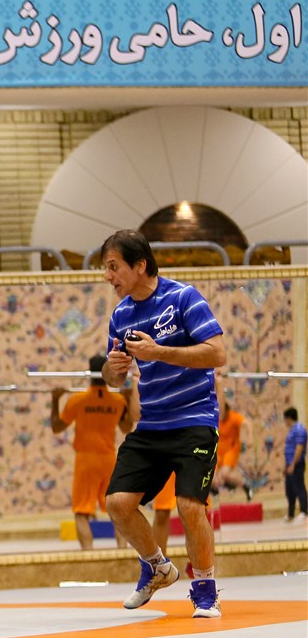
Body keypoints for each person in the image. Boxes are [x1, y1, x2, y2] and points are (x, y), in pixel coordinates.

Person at [99, 230, 226, 618]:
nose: (107, 275)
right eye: (105, 268)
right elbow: (112, 379)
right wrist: (114, 368)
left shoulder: (184, 298)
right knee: (118, 503)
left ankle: (205, 589)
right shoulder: (121, 316)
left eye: (113, 266)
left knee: (189, 506)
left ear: (140, 265)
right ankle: (157, 567)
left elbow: (217, 353)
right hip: (152, 425)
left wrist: (159, 352)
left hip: (194, 420)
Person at [50, 355, 135, 550]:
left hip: (86, 461)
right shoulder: (117, 400)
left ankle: (88, 556)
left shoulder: (78, 400)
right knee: (117, 510)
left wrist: (55, 400)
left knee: (81, 513)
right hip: (109, 461)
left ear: (89, 373)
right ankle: (122, 552)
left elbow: (56, 427)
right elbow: (126, 428)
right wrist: (128, 399)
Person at [213, 400, 248, 498]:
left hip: (231, 450)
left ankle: (243, 485)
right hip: (218, 451)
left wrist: (249, 438)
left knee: (224, 474)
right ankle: (223, 486)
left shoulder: (234, 417)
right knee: (212, 476)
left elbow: (246, 424)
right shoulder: (216, 418)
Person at [284, 407, 307, 521]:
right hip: (289, 464)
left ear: (289, 418)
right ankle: (291, 513)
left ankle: (304, 511)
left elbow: (299, 448)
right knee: (290, 490)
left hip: (296, 463)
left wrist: (293, 464)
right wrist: (286, 465)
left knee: (299, 487)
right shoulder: (292, 430)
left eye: (285, 419)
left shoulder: (299, 429)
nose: (285, 422)